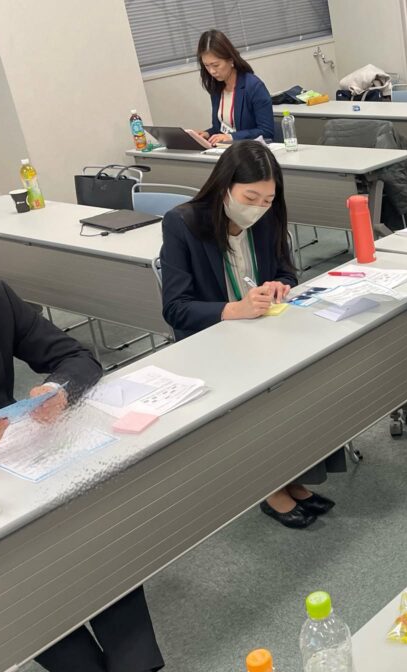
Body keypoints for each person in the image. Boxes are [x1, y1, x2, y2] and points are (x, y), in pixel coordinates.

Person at [0, 212, 232, 672]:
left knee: (92, 530)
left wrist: (56, 390)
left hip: (12, 468)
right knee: (12, 583)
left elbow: (75, 358)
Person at [160, 140, 341, 529]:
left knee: (307, 376)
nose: (258, 207)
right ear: (225, 187)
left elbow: (287, 270)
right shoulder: (182, 224)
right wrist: (232, 310)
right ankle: (269, 487)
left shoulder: (267, 218)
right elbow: (175, 308)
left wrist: (279, 284)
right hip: (214, 341)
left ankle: (294, 475)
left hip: (265, 328)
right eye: (250, 198)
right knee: (262, 397)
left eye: (267, 199)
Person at [195, 29, 275, 145]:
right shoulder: (216, 87)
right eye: (206, 66)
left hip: (250, 149)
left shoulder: (253, 87)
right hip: (227, 149)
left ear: (231, 60)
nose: (212, 71)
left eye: (216, 65)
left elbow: (266, 131)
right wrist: (207, 134)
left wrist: (231, 137)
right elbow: (220, 128)